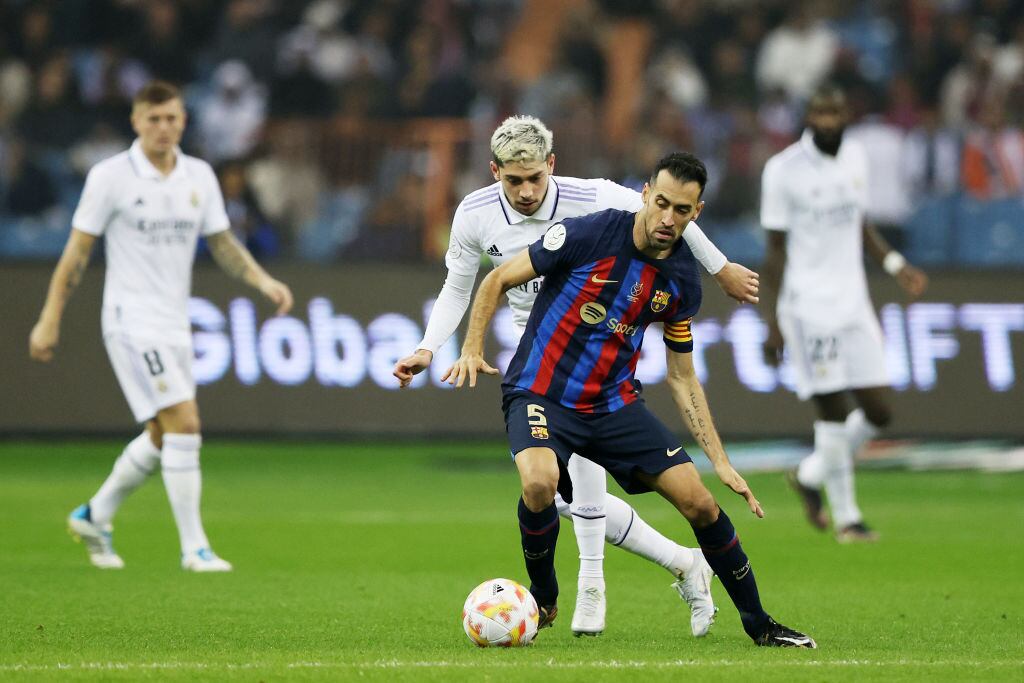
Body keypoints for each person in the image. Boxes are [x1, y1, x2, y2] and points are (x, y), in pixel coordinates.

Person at [394, 116, 759, 637]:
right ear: (494, 171)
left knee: (580, 487)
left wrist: (720, 267)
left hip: (591, 344)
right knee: (555, 495)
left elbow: (669, 210)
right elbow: (461, 286)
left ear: (552, 167)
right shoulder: (473, 213)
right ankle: (682, 562)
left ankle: (592, 588)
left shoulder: (592, 198)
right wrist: (432, 347)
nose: (525, 191)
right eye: (512, 180)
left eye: (535, 179)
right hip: (535, 344)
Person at [28, 81, 293, 571]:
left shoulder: (198, 176)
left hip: (175, 322)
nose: (163, 127)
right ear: (136, 122)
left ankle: (94, 513)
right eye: (153, 119)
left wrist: (262, 280)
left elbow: (223, 242)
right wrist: (49, 317)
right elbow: (78, 252)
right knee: (185, 423)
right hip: (131, 321)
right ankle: (195, 548)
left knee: (160, 431)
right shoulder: (110, 177)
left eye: (171, 118)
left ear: (184, 122)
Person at [760, 84, 928, 542]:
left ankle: (810, 475)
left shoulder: (856, 156)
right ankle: (849, 519)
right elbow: (774, 252)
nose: (829, 121)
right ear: (809, 117)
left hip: (854, 302)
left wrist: (895, 264)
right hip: (808, 306)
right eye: (820, 113)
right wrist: (773, 321)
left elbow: (860, 223)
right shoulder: (783, 170)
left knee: (879, 411)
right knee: (832, 414)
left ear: (845, 115)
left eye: (835, 112)